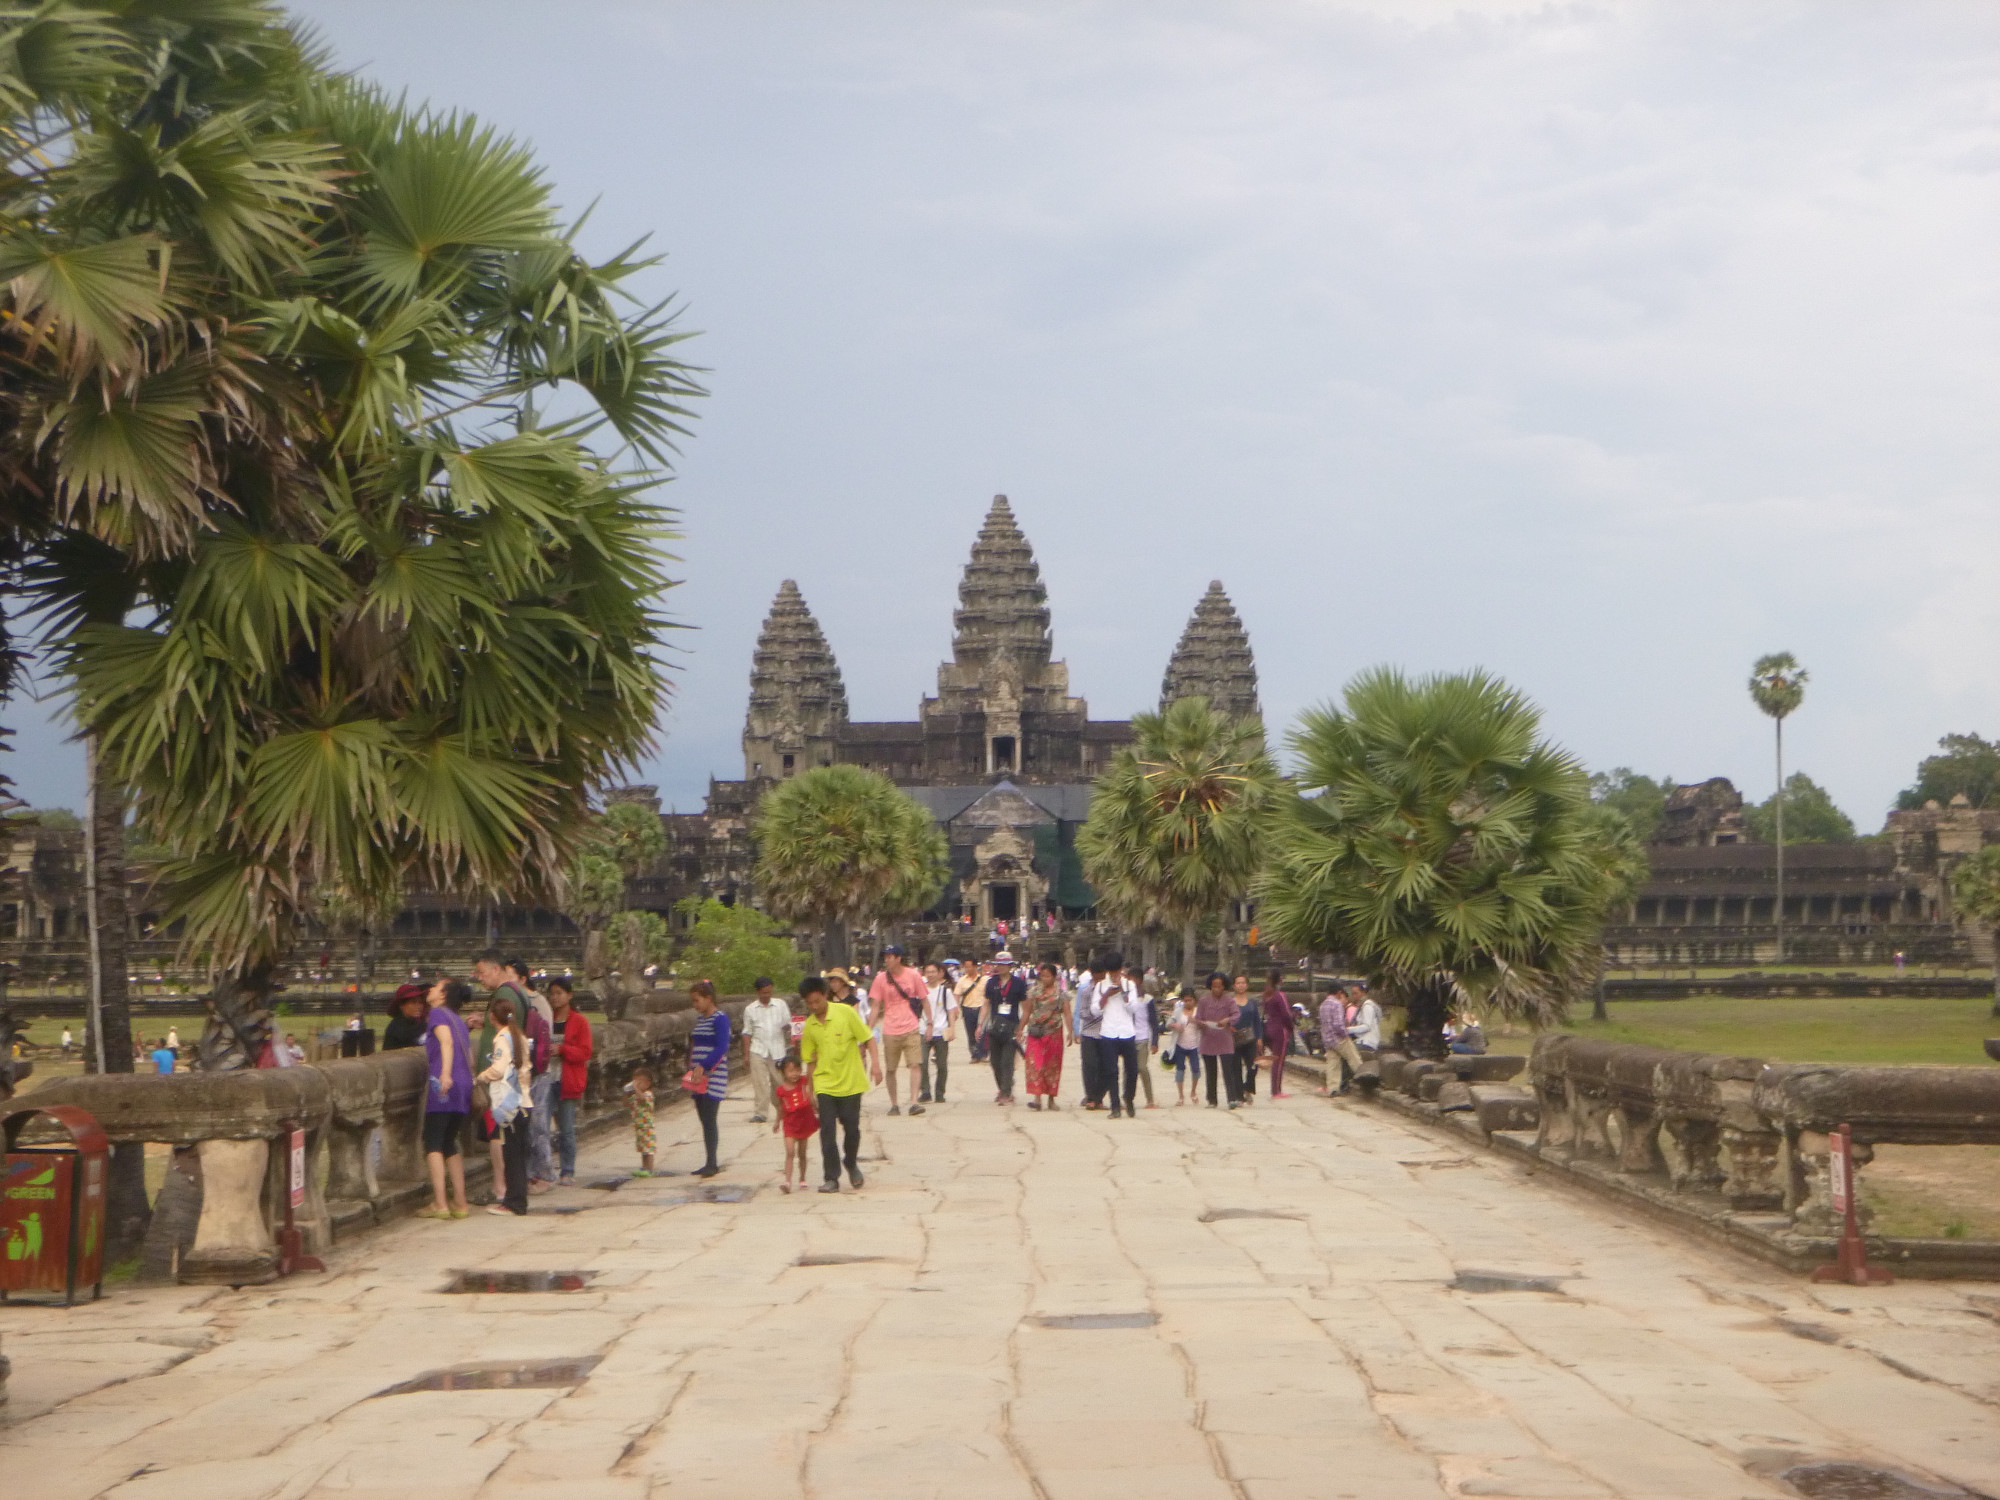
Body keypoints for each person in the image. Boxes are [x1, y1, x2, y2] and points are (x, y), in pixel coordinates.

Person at [474, 950, 555, 1194]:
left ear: (496, 969)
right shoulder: (516, 991)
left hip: (501, 1081)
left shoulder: (506, 993)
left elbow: (504, 1042)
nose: (479, 978)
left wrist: (481, 1076)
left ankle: (502, 1187)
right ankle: (510, 1186)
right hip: (513, 1079)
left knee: (499, 1133)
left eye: (482, 972)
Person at [799, 974, 881, 1192]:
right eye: (809, 1003)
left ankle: (851, 1162)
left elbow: (868, 1038)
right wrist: (809, 1089)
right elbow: (810, 1060)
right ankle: (831, 1177)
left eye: (817, 1001)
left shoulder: (846, 1013)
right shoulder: (810, 1026)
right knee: (827, 1130)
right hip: (825, 1083)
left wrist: (876, 1065)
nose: (814, 1006)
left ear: (826, 995)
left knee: (852, 1128)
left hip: (851, 1081)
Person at [418, 979, 473, 1219]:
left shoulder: (438, 1014)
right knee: (450, 1141)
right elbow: (468, 1055)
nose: (430, 989)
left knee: (433, 1141)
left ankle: (440, 1202)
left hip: (445, 1083)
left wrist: (445, 1074)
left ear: (443, 995)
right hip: (463, 1083)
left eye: (436, 987)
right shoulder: (458, 1019)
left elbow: (446, 1042)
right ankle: (460, 1201)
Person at [476, 992, 531, 1216]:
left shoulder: (501, 1038)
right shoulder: (519, 1036)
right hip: (524, 1101)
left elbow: (498, 1070)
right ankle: (516, 1199)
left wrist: (481, 1077)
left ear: (492, 1017)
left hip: (510, 1105)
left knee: (512, 1155)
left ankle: (514, 1201)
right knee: (518, 1154)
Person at [869, 945, 929, 1117]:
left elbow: (924, 999)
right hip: (890, 1027)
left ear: (898, 958)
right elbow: (875, 1007)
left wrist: (930, 1022)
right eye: (885, 957)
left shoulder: (913, 975)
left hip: (910, 1024)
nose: (887, 960)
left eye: (890, 956)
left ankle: (913, 1102)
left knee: (915, 1064)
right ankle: (894, 1103)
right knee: (891, 1068)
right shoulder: (881, 978)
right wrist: (868, 1030)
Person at [1088, 953, 1146, 1118]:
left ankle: (1128, 1097)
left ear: (1121, 970)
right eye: (1110, 972)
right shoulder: (1100, 986)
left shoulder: (1130, 984)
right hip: (1108, 1031)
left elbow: (1134, 1008)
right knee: (1111, 1071)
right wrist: (1106, 995)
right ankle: (1115, 1106)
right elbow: (1094, 1011)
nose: (1113, 976)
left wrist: (1123, 992)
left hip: (1127, 1031)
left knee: (1133, 1070)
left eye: (1116, 972)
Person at [548, 976, 592, 1185]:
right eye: (553, 993)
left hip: (567, 1080)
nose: (555, 997)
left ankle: (567, 1170)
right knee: (540, 1127)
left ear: (569, 995)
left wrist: (562, 1049)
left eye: (559, 993)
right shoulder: (548, 1019)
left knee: (566, 1129)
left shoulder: (579, 1021)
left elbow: (585, 1052)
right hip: (547, 1079)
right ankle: (544, 1169)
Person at [687, 980, 731, 1178]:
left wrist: (704, 1065)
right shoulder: (700, 1019)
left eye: (697, 1000)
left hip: (713, 1075)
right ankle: (708, 1160)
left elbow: (722, 1047)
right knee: (704, 1119)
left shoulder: (720, 1018)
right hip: (697, 1076)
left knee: (710, 1117)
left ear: (708, 998)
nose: (695, 1004)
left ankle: (712, 1162)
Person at [741, 977, 792, 1125]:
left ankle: (781, 1108)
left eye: (769, 992)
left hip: (777, 1050)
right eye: (764, 993)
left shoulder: (780, 1005)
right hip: (758, 1049)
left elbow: (789, 1023)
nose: (767, 995)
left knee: (779, 1082)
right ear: (758, 992)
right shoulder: (750, 1009)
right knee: (760, 1083)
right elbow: (747, 1032)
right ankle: (760, 1113)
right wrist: (746, 1055)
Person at [1022, 961, 1070, 1110]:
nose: (1044, 979)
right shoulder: (1033, 992)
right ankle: (1037, 1098)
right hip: (1036, 1032)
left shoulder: (1061, 995)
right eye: (1042, 976)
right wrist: (1020, 1028)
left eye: (1047, 976)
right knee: (1035, 1064)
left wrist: (1071, 1031)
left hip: (1054, 1032)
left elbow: (1067, 1013)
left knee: (1052, 1066)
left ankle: (1051, 1098)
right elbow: (1027, 1012)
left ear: (1054, 977)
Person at [979, 951, 1026, 1103]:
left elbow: (1026, 1007)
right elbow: (986, 1004)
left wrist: (1022, 1028)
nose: (1001, 967)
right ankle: (1003, 1086)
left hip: (1011, 1025)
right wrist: (980, 1024)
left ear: (1010, 966)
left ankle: (1006, 1093)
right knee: (995, 1062)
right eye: (999, 964)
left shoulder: (1019, 983)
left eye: (1004, 964)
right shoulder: (991, 983)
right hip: (994, 1025)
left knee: (1007, 1061)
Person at [1195, 972, 1243, 1108]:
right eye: (1214, 986)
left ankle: (1232, 1098)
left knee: (1228, 1070)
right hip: (1208, 1038)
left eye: (1219, 986)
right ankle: (1212, 1099)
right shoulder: (1204, 1001)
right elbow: (1198, 1017)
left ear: (1224, 987)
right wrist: (1201, 1023)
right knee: (1210, 1071)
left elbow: (1236, 1015)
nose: (1217, 989)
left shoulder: (1229, 1000)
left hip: (1224, 1039)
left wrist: (1227, 1020)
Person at [772, 1056, 818, 1193]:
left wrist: (815, 1106)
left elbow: (811, 1083)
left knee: (802, 1153)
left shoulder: (804, 1083)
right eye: (791, 1071)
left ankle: (802, 1178)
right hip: (790, 1123)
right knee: (790, 1152)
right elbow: (781, 1108)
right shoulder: (781, 1091)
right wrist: (777, 1122)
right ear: (783, 1073)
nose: (794, 1074)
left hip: (804, 1121)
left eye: (797, 1070)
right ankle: (787, 1182)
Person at [918, 960, 957, 1104]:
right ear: (924, 973)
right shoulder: (920, 991)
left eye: (933, 972)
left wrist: (952, 1028)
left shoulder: (945, 991)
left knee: (942, 1064)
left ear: (940, 973)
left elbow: (951, 1011)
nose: (931, 975)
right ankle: (925, 1091)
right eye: (928, 972)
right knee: (922, 1061)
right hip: (923, 1029)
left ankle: (940, 1092)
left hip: (941, 1030)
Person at [1074, 958, 1107, 1109]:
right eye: (1098, 975)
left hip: (1106, 1033)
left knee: (1105, 1067)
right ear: (1092, 975)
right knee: (1090, 1066)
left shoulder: (1110, 990)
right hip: (1089, 1032)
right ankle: (1091, 1097)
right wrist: (1096, 1013)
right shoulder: (1086, 991)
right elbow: (1081, 1012)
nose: (1101, 978)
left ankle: (1099, 1097)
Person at [1319, 985, 1363, 1096]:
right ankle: (1363, 1077)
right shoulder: (1337, 1004)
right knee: (1354, 1058)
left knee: (1333, 1065)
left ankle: (1333, 1089)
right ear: (1338, 993)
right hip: (1339, 1038)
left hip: (1328, 1040)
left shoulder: (1323, 1005)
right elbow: (1338, 1024)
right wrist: (1345, 1035)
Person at [1260, 970, 1295, 1099]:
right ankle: (1276, 1090)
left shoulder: (1266, 996)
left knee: (1275, 1059)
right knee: (1279, 1061)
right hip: (1280, 1029)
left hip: (1269, 1027)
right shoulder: (1279, 995)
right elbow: (1286, 1014)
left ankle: (1275, 1088)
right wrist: (1290, 1028)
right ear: (1278, 980)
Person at [1167, 987, 1203, 1104]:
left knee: (1196, 1069)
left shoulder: (1199, 1011)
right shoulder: (1178, 1011)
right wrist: (1175, 1025)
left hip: (1194, 1045)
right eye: (1185, 1001)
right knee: (1180, 1070)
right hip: (1180, 1044)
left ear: (1194, 1000)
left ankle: (1193, 1091)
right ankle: (1181, 1095)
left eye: (1190, 1000)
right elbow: (1168, 1023)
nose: (1188, 1003)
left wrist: (1197, 1022)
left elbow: (1205, 1025)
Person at [1232, 973, 1262, 1104]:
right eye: (1238, 983)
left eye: (1243, 983)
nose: (1240, 985)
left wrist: (1259, 1038)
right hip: (1234, 1038)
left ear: (1247, 985)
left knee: (1253, 1066)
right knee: (1236, 1068)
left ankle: (1247, 1089)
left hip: (1250, 1038)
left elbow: (1257, 1021)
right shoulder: (1231, 1003)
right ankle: (1239, 1096)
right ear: (1234, 986)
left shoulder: (1252, 1003)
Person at [625, 1066, 656, 1177]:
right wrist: (627, 1093)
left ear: (647, 1083)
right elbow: (626, 1104)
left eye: (639, 1082)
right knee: (643, 1149)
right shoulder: (635, 1096)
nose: (636, 1084)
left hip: (647, 1128)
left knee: (648, 1150)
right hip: (639, 1127)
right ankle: (644, 1167)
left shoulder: (648, 1095)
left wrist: (636, 1088)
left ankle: (650, 1169)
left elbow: (642, 1099)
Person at [953, 960, 986, 1062]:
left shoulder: (985, 980)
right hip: (968, 1008)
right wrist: (955, 1008)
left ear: (975, 966)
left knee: (983, 1032)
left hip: (982, 1008)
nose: (967, 969)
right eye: (965, 967)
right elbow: (957, 994)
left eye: (969, 967)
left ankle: (983, 1054)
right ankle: (974, 1055)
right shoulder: (962, 980)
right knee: (970, 1032)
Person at [383, 983, 429, 1050]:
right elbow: (409, 1037)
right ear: (402, 1006)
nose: (419, 1006)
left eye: (420, 1002)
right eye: (413, 1002)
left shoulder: (419, 1023)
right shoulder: (396, 1026)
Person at [1350, 985, 1384, 1056]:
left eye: (1356, 993)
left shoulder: (1367, 1006)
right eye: (1352, 994)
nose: (1354, 996)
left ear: (1363, 993)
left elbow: (1367, 1026)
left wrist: (1349, 1030)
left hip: (1367, 1042)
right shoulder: (1361, 1007)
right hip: (1362, 1041)